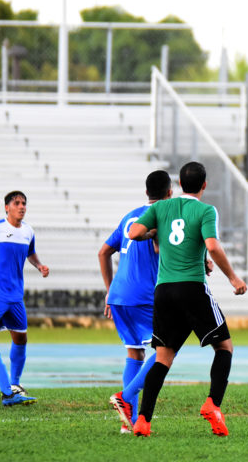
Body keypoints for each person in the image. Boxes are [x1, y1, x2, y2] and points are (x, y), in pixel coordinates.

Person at [127, 161, 247, 437]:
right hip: (192, 288)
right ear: (205, 185)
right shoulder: (206, 210)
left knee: (163, 358)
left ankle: (143, 420)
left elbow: (134, 233)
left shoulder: (160, 207)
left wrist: (154, 231)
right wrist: (233, 278)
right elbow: (212, 245)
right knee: (224, 347)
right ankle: (212, 404)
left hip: (164, 291)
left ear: (178, 185)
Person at [98, 170, 172, 433]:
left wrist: (109, 291)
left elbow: (103, 252)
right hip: (144, 296)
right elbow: (162, 249)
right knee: (167, 349)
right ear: (170, 193)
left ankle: (127, 424)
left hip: (119, 296)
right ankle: (125, 396)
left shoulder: (130, 215)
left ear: (146, 192)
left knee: (135, 352)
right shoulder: (164, 216)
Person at [0, 191, 48, 406]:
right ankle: (8, 393)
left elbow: (31, 252)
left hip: (16, 296)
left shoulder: (28, 231)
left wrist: (39, 265)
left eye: (24, 203)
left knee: (21, 339)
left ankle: (14, 385)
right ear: (6, 207)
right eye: (17, 203)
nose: (22, 206)